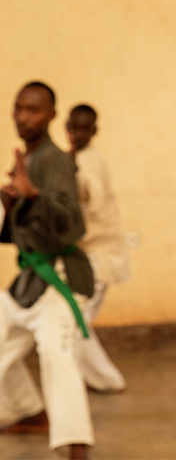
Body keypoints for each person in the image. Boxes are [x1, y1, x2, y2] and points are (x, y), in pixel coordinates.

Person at [0, 82, 94, 459]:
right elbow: (22, 231)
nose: (24, 117)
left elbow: (72, 224)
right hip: (30, 280)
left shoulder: (53, 159)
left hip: (60, 280)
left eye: (33, 110)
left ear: (52, 114)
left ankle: (76, 448)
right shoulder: (31, 157)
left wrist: (34, 197)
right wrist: (12, 203)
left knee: (58, 359)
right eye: (19, 108)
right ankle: (29, 410)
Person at [65, 104, 129, 393]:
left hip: (99, 256)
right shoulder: (75, 157)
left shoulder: (89, 161)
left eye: (83, 129)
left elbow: (92, 197)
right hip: (88, 255)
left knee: (76, 321)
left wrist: (70, 175)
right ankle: (94, 378)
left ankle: (106, 381)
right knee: (77, 320)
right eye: (73, 127)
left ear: (94, 131)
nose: (76, 134)